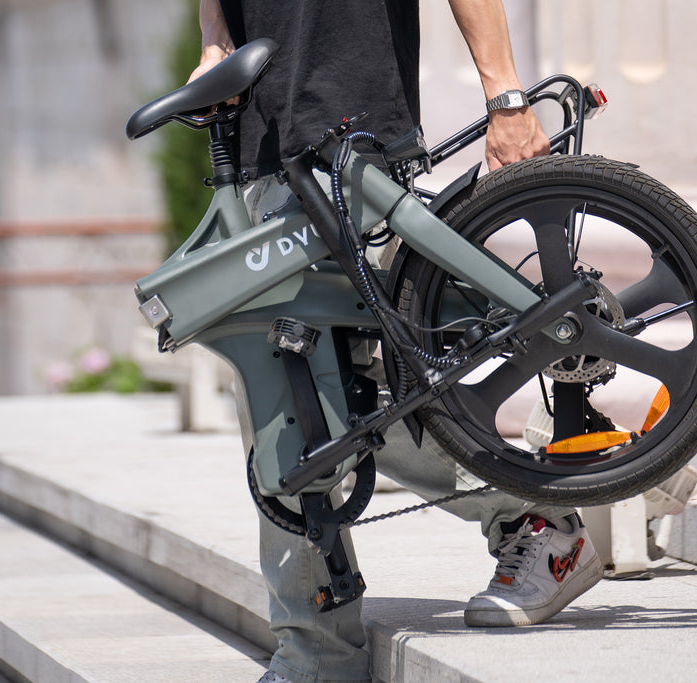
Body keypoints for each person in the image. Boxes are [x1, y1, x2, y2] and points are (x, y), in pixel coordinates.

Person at [189, 2, 603, 682]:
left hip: (344, 127)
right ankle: (536, 519)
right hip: (261, 135)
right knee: (320, 402)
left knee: (290, 408)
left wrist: (505, 98)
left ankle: (318, 653)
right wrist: (214, 38)